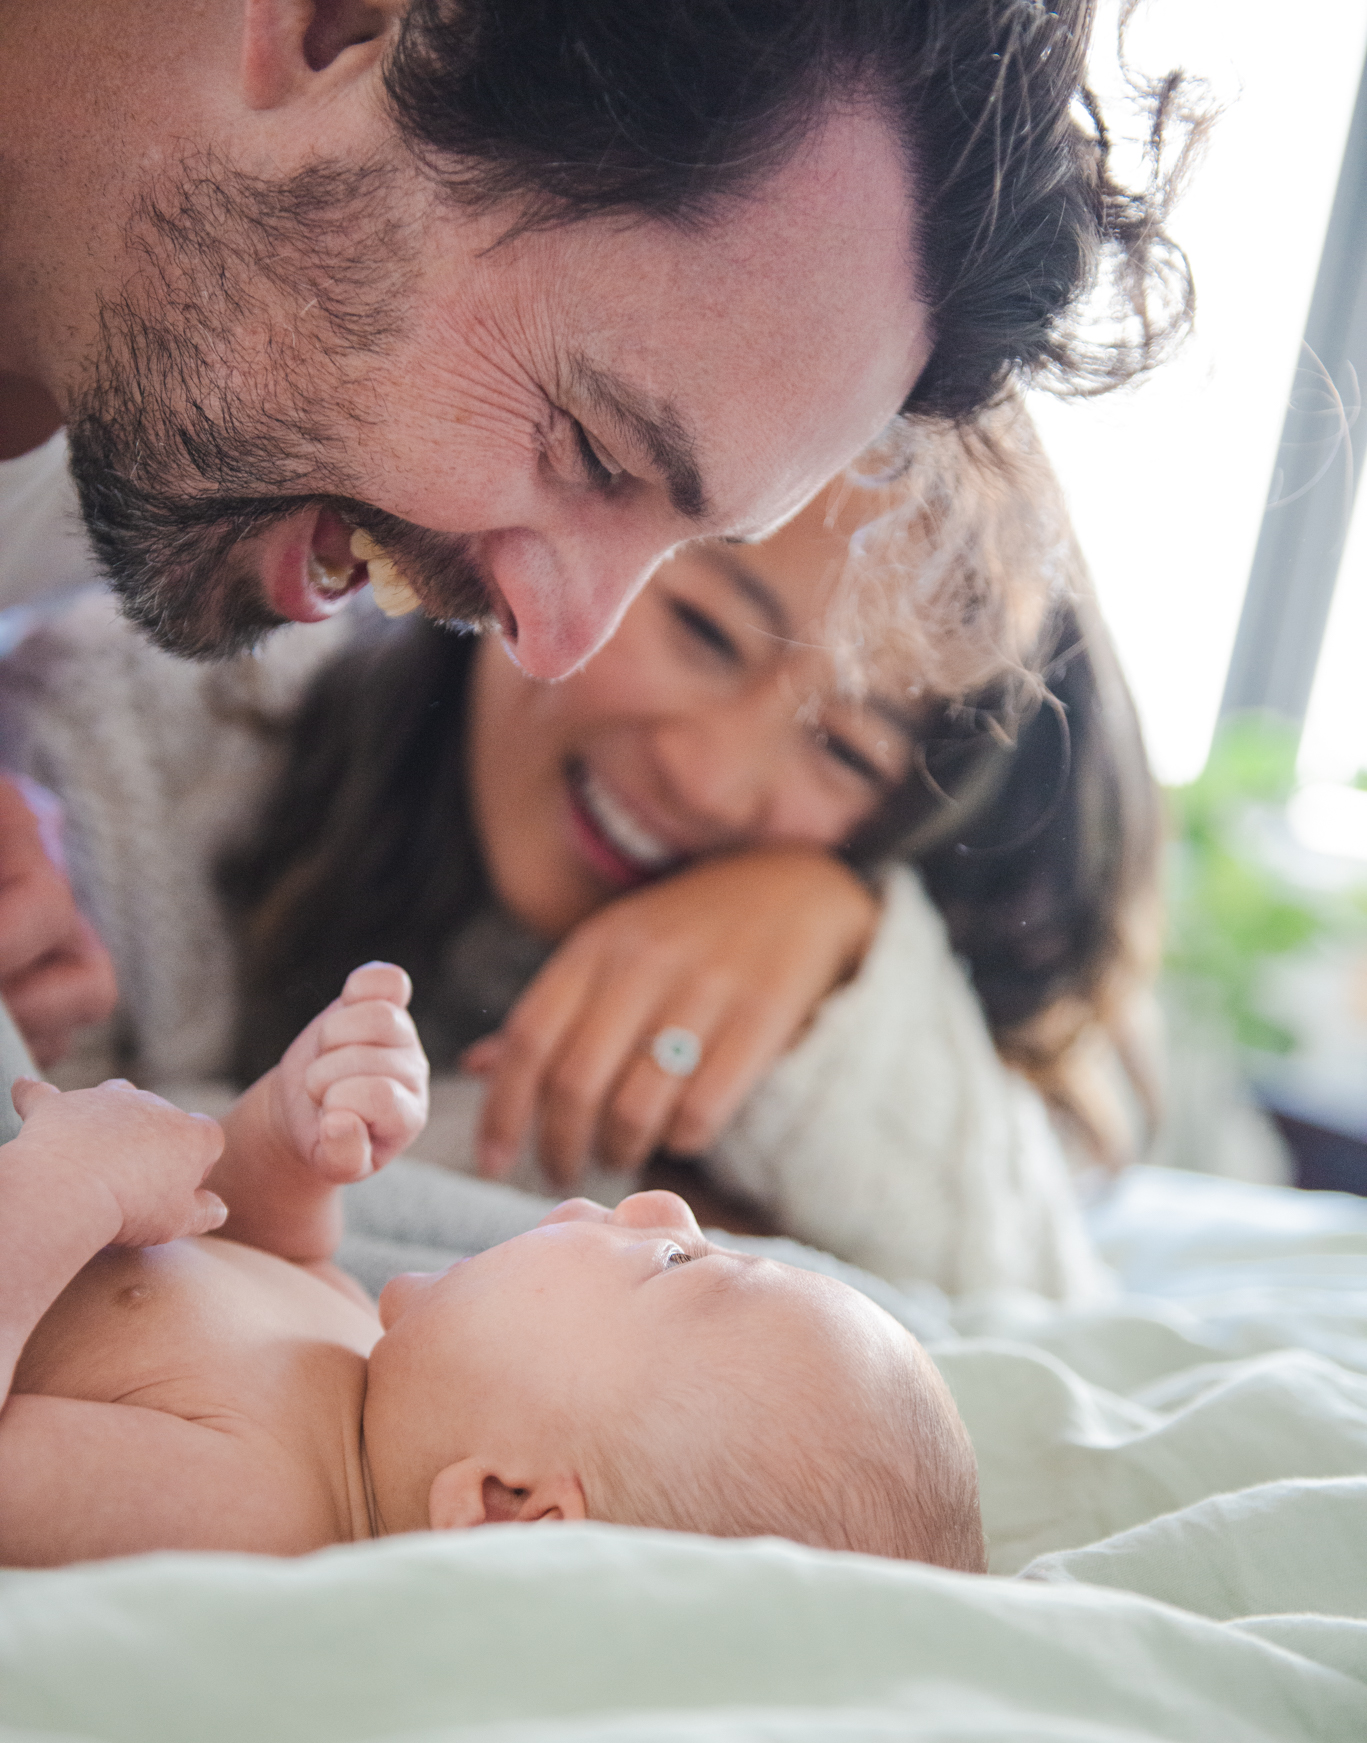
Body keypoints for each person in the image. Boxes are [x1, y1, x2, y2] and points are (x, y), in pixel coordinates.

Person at [0, 0, 1201, 1059]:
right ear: (335, 23)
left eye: (682, 552)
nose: (555, 644)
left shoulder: (150, 407)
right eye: (587, 446)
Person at [0, 406, 1160, 1297]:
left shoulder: (839, 936)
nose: (709, 775)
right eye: (702, 629)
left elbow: (1031, 1282)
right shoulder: (146, 729)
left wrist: (835, 952)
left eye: (845, 751)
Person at [0, 964, 985, 1575]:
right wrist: (290, 1139)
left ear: (506, 1509)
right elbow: (253, 1246)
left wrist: (62, 1189)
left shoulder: (243, 1508)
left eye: (678, 1262)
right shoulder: (361, 1372)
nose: (662, 1205)